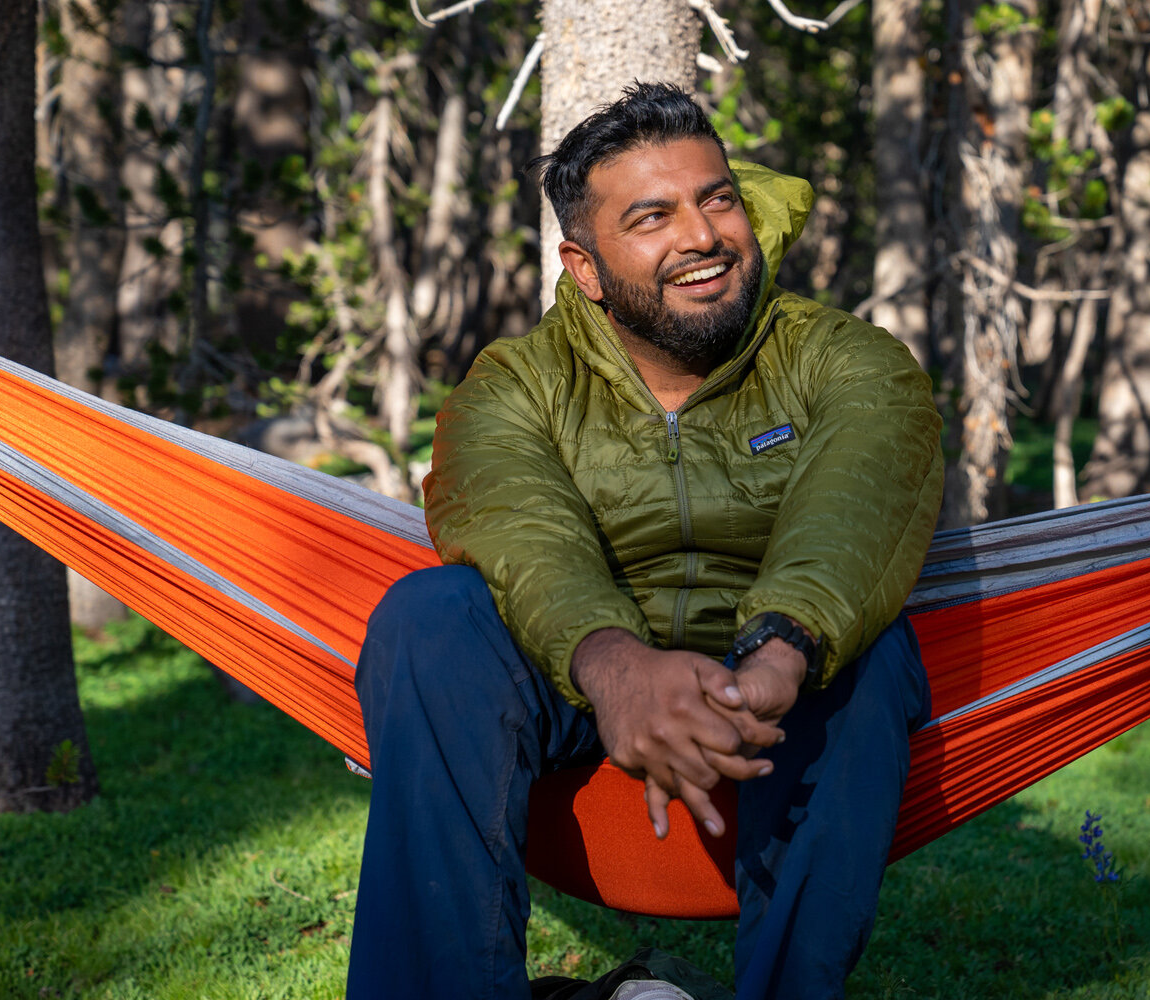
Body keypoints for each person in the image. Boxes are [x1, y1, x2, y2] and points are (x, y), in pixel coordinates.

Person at [347, 82, 943, 1000]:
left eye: (716, 198)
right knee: (430, 618)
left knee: (872, 656)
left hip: (780, 678)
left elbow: (855, 508)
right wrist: (616, 666)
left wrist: (778, 652)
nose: (702, 236)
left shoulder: (844, 359)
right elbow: (516, 528)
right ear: (584, 268)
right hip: (581, 681)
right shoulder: (515, 384)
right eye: (653, 216)